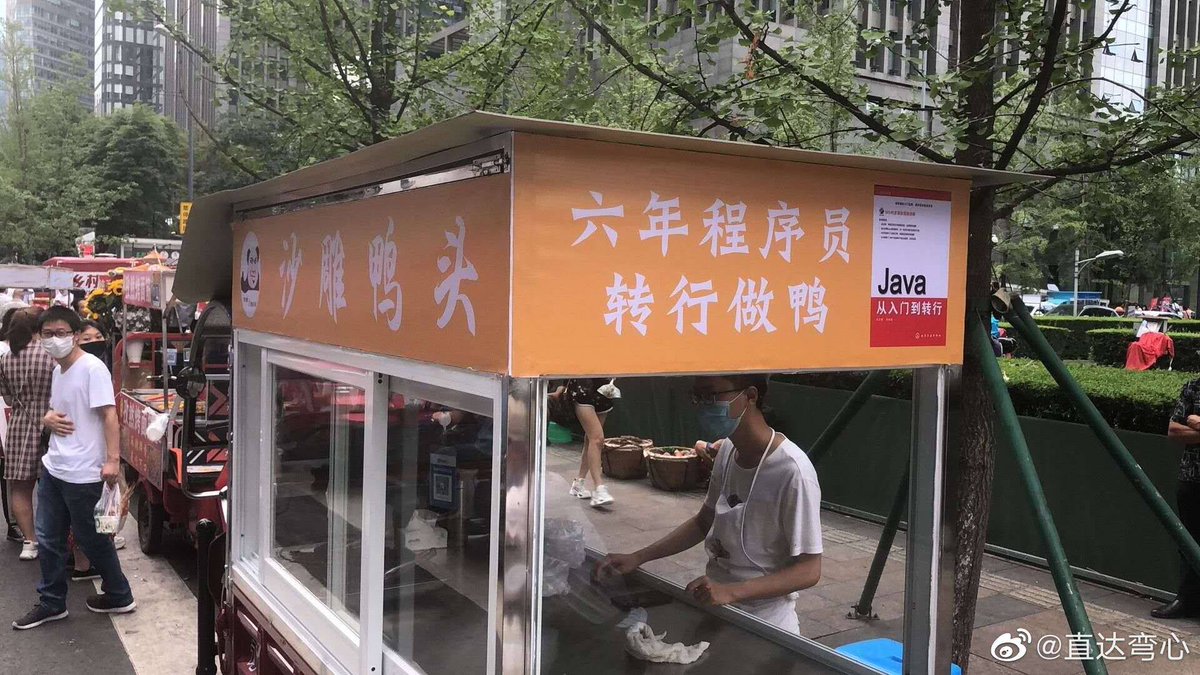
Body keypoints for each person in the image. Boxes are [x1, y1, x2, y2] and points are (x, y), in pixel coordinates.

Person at [597, 375, 823, 634]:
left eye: (711, 395)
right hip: (718, 608)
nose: (703, 405)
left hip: (766, 622)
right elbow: (704, 521)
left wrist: (731, 591)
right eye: (698, 397)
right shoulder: (728, 450)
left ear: (750, 396)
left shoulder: (793, 472)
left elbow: (809, 570)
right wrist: (638, 557)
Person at [12, 306, 135, 630]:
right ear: (38, 337)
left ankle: (119, 593)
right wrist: (47, 418)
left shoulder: (92, 368)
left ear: (76, 335)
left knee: (91, 539)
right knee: (48, 538)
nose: (55, 340)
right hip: (55, 466)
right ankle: (52, 602)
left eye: (61, 333)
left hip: (84, 471)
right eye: (48, 334)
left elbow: (109, 415)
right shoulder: (58, 372)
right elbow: (58, 412)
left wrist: (112, 460)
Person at [69, 319, 124, 580]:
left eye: (98, 336)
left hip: (97, 451)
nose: (94, 342)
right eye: (87, 339)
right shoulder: (83, 368)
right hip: (86, 455)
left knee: (102, 509)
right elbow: (107, 415)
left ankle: (94, 559)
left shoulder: (100, 366)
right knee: (86, 514)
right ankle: (84, 564)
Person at [0, 308, 55, 561]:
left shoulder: (6, 359)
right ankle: (53, 537)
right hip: (50, 423)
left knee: (20, 488)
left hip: (19, 425)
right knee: (53, 487)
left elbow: (7, 397)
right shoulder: (50, 354)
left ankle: (30, 541)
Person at [554, 379, 616, 507]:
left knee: (591, 439)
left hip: (604, 391)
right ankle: (599, 488)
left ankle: (579, 483)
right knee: (596, 439)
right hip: (582, 389)